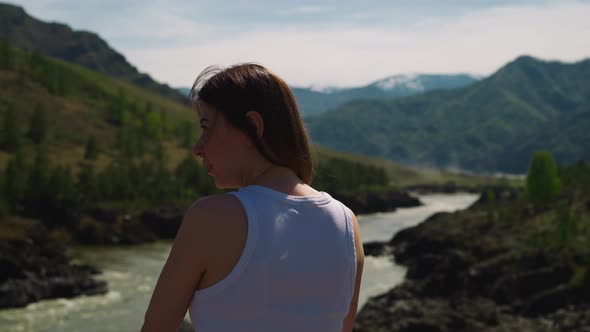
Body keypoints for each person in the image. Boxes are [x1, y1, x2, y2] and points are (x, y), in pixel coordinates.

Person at [141, 63, 364, 332]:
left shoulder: (212, 218)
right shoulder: (346, 223)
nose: (197, 148)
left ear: (252, 126)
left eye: (206, 126)